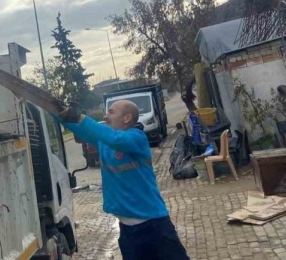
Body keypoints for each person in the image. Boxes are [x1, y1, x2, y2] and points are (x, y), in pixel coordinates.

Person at [55, 100, 190, 260]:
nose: (105, 116)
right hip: (128, 231)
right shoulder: (105, 141)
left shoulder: (136, 137)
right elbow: (79, 128)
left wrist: (80, 117)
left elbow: (114, 139)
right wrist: (54, 109)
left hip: (155, 227)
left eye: (111, 112)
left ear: (127, 118)